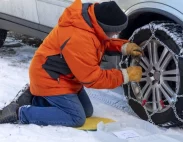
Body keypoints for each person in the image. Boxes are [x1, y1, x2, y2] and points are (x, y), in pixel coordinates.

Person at [0, 0, 142, 127]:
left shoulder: (90, 21)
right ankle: (20, 112)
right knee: (76, 117)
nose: (116, 35)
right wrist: (125, 76)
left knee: (87, 111)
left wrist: (123, 47)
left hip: (65, 77)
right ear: (103, 27)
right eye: (114, 32)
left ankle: (38, 99)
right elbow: (92, 78)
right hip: (49, 78)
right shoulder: (78, 38)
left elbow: (101, 41)